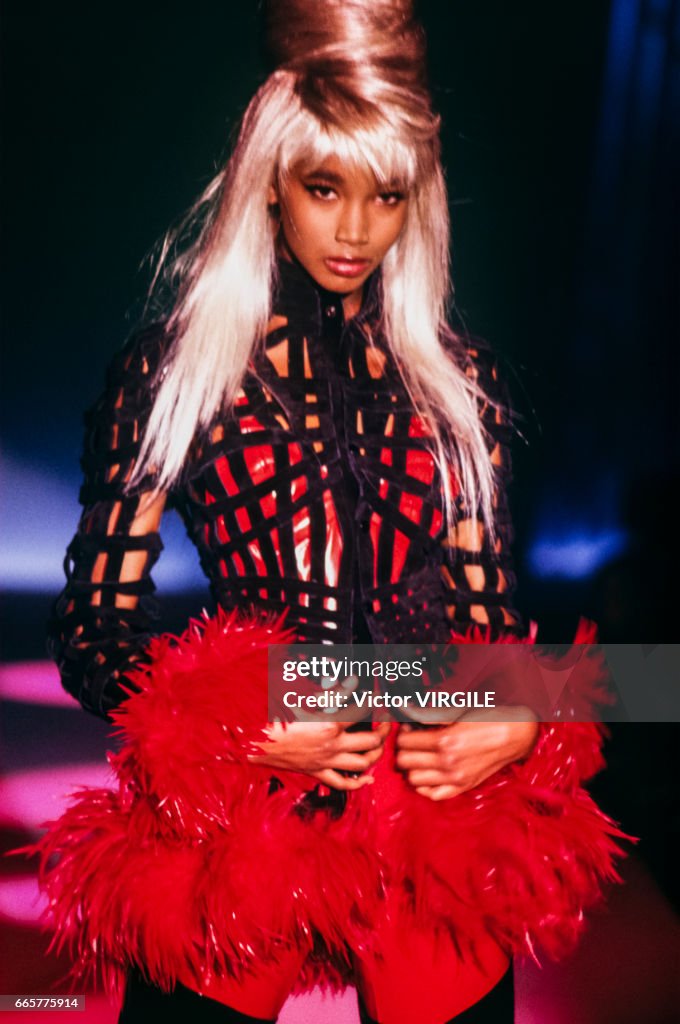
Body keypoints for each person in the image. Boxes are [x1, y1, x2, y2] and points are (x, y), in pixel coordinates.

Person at [36, 2, 627, 1022]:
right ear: (270, 179)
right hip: (244, 804)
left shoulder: (457, 384)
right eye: (324, 188)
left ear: (417, 201)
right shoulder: (178, 375)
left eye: (386, 194)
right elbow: (91, 630)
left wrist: (524, 714)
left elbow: (485, 640)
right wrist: (235, 726)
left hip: (433, 813)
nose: (355, 229)